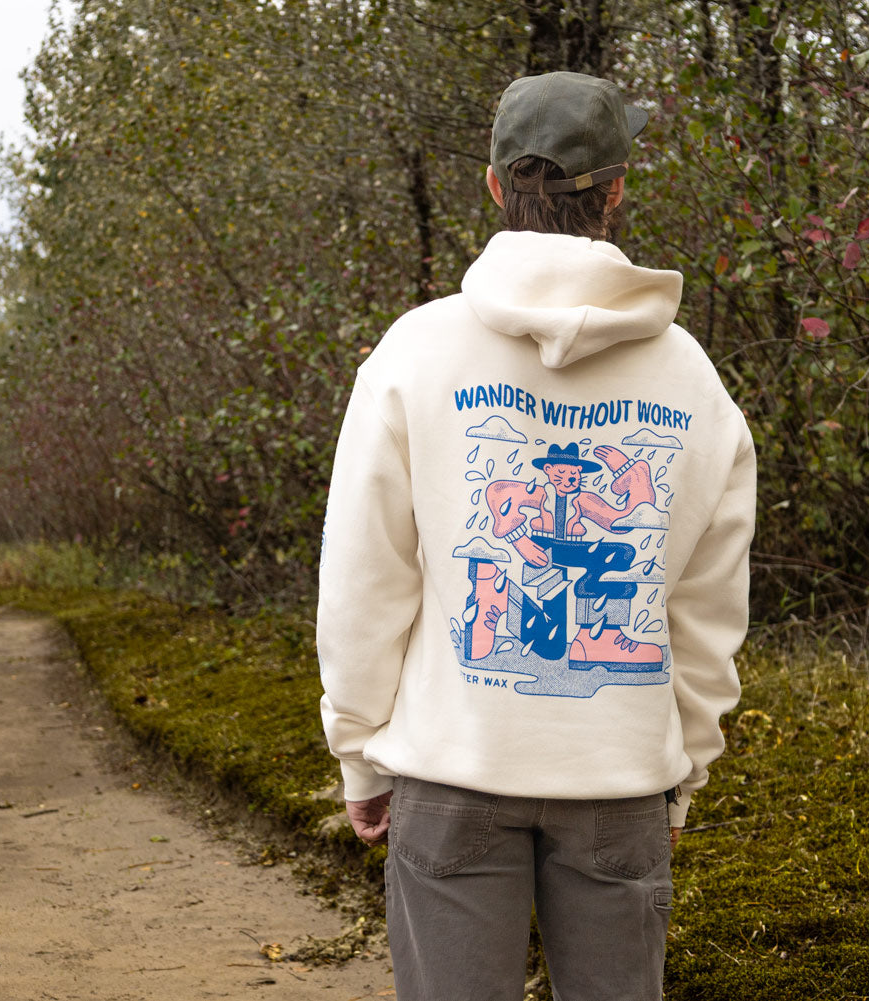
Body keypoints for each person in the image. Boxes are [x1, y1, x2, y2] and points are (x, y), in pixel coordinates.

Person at [315, 71, 755, 1001]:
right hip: (620, 780)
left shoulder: (414, 355)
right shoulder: (692, 380)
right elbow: (709, 605)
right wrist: (686, 768)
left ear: (492, 186)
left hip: (453, 767)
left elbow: (365, 579)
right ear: (617, 190)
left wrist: (359, 749)